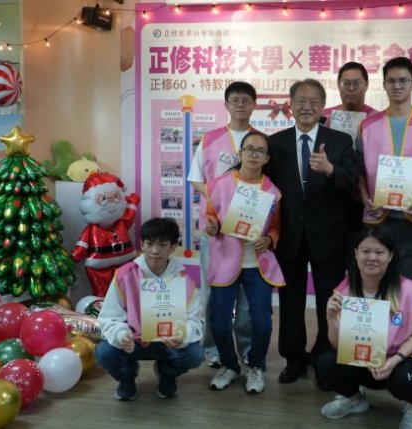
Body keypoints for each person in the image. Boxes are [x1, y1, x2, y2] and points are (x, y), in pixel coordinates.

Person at [357, 56, 412, 397]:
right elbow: (359, 173)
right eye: (391, 80)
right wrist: (366, 198)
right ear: (384, 84)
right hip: (378, 224)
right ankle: (373, 365)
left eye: (403, 80)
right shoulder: (368, 125)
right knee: (376, 295)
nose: (397, 86)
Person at [264, 78, 361, 384]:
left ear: (323, 107)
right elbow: (262, 185)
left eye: (313, 101)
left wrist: (330, 170)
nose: (307, 107)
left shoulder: (340, 141)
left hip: (328, 234)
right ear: (291, 105)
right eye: (301, 101)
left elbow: (352, 181)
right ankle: (293, 359)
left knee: (326, 302)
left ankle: (323, 357)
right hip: (289, 236)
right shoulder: (275, 143)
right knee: (290, 302)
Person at [317, 227, 412, 429]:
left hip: (397, 361)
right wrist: (331, 317)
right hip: (362, 360)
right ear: (356, 253)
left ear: (390, 256)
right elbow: (338, 345)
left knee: (408, 381)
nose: (372, 258)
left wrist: (393, 361)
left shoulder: (408, 290)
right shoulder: (344, 291)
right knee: (326, 364)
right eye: (366, 251)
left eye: (379, 252)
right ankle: (354, 399)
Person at [204, 132, 285, 394]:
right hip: (225, 262)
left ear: (266, 158)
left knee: (262, 323)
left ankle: (256, 365)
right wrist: (212, 225)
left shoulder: (272, 191)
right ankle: (230, 365)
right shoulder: (219, 184)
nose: (253, 155)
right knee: (219, 323)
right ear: (240, 154)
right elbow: (209, 217)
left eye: (260, 151)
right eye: (249, 149)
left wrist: (269, 239)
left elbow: (275, 227)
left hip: (257, 265)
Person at [187, 81, 258, 369]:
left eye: (245, 100)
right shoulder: (210, 139)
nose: (240, 104)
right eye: (235, 100)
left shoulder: (262, 141)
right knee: (213, 294)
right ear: (226, 105)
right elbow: (196, 180)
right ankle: (212, 348)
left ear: (254, 105)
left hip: (250, 232)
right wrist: (222, 196)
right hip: (215, 231)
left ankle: (248, 349)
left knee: (247, 299)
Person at [95, 217, 203, 401]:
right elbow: (109, 316)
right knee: (104, 353)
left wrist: (181, 335)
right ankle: (127, 376)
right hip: (134, 342)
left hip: (169, 342)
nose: (155, 251)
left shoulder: (184, 279)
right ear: (142, 245)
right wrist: (121, 335)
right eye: (149, 244)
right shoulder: (125, 274)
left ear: (173, 247)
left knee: (195, 354)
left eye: (162, 244)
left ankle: (167, 374)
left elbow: (194, 319)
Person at [323, 61, 379, 251]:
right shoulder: (325, 118)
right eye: (346, 83)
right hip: (333, 193)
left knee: (364, 249)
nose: (351, 88)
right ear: (338, 85)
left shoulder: (378, 119)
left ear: (366, 85)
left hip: (367, 197)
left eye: (357, 83)